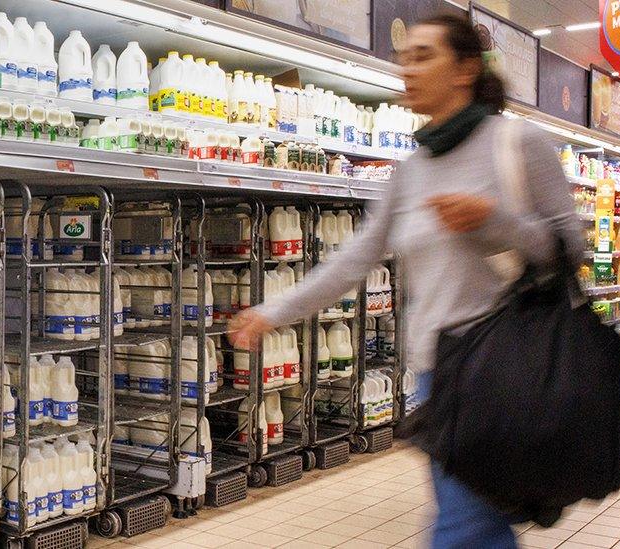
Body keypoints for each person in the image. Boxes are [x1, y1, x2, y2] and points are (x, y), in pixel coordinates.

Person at [228, 13, 582, 549]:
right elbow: (353, 260)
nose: (407, 71)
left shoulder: (518, 144)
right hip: (435, 375)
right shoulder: (411, 170)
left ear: (464, 70)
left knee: (463, 530)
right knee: (472, 525)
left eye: (424, 57)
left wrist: (495, 222)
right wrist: (271, 312)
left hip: (503, 370)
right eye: (404, 59)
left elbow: (570, 247)